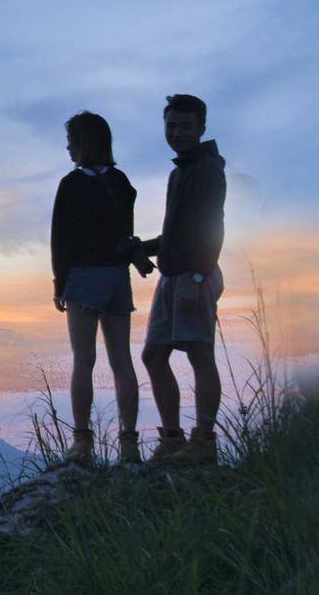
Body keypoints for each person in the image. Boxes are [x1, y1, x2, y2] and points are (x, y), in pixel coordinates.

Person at [137, 93, 227, 463]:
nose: (176, 132)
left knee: (199, 353)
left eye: (185, 126)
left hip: (193, 275)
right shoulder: (181, 172)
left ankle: (203, 442)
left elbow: (211, 226)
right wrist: (140, 247)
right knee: (154, 355)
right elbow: (176, 235)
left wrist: (195, 274)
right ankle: (173, 439)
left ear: (201, 128)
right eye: (171, 125)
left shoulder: (206, 169)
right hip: (172, 276)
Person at [50, 111, 145, 464]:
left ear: (83, 143)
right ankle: (129, 442)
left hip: (84, 279)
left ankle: (82, 441)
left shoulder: (71, 184)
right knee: (122, 361)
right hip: (117, 278)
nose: (68, 148)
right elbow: (126, 236)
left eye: (71, 141)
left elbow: (61, 240)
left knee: (84, 360)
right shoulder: (121, 182)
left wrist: (60, 284)